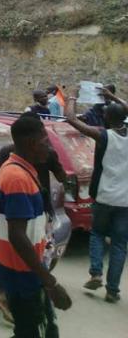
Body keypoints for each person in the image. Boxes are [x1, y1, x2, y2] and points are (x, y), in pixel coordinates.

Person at [0, 114, 72, 335]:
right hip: (21, 270)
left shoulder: (24, 169)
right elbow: (17, 235)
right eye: (45, 141)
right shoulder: (17, 177)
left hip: (28, 266)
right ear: (31, 143)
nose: (49, 148)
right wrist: (50, 282)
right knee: (32, 329)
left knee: (36, 327)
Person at [65, 89, 128, 304]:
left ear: (106, 117)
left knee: (98, 234)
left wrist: (72, 96)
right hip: (126, 200)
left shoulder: (103, 135)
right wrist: (113, 98)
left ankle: (96, 273)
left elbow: (71, 118)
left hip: (104, 196)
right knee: (119, 245)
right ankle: (113, 290)